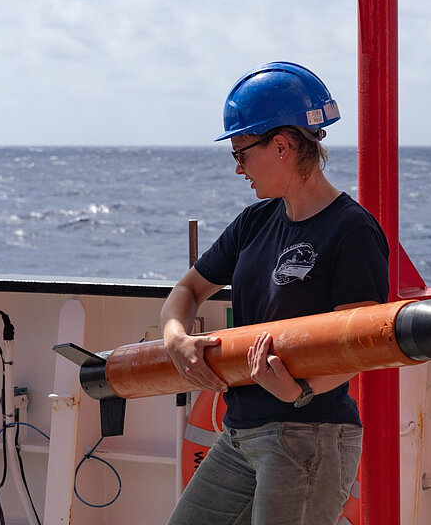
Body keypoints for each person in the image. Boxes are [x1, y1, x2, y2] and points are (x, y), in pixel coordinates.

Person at [161, 61, 389, 525]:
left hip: (310, 436)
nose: (238, 169)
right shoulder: (254, 222)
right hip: (240, 433)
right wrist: (175, 338)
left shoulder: (352, 231)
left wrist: (300, 390)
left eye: (241, 153)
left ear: (282, 146)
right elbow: (188, 288)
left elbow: (359, 344)